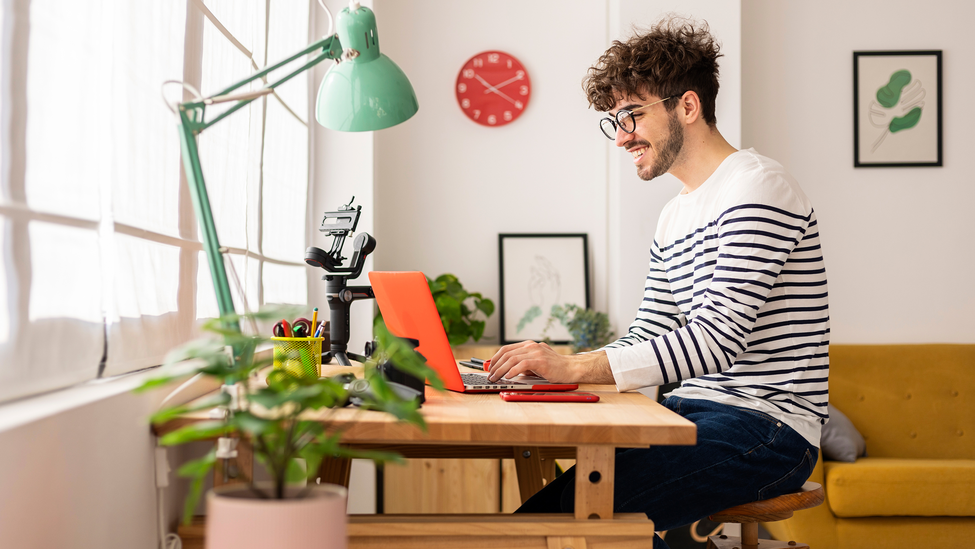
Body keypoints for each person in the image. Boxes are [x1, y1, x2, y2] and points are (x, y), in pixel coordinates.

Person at [487, 16, 829, 549]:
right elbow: (649, 331)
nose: (622, 136)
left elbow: (717, 338)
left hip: (768, 429)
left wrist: (576, 366)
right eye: (615, 120)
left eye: (632, 115)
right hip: (689, 412)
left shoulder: (758, 187)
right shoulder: (674, 215)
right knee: (539, 517)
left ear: (687, 106)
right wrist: (556, 372)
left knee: (563, 525)